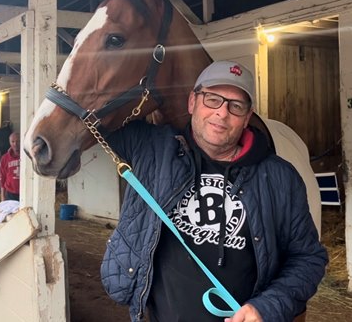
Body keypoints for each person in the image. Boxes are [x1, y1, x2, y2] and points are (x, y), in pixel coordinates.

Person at [100, 61, 328, 322]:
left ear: (247, 118)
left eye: (236, 106)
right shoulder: (150, 148)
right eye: (212, 99)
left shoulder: (280, 177)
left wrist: (267, 307)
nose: (222, 113)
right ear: (192, 102)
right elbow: (91, 102)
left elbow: (308, 257)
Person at [0, 132, 20, 201]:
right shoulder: (5, 158)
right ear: (9, 143)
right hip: (11, 194)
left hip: (26, 192)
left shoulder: (28, 156)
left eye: (18, 141)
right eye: (12, 141)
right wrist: (2, 196)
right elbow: (2, 177)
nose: (15, 144)